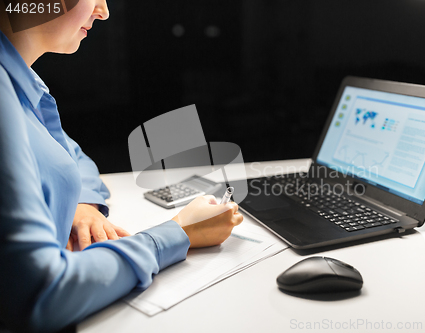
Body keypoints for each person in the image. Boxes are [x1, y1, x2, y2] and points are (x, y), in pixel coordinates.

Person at [0, 0, 244, 331]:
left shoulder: (18, 81)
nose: (103, 11)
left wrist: (81, 205)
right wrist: (179, 232)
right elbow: (38, 294)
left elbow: (73, 158)